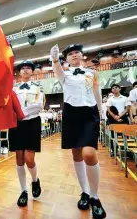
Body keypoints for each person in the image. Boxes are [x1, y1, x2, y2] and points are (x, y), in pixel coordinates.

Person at [50, 44, 106, 219]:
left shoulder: (92, 73)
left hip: (89, 114)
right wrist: (54, 59)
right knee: (76, 154)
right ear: (66, 59)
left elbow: (97, 93)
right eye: (70, 54)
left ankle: (95, 197)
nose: (74, 55)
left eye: (76, 52)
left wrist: (101, 113)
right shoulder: (64, 75)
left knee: (89, 154)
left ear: (82, 55)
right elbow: (57, 70)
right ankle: (85, 192)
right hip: (71, 113)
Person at [10, 60, 43, 208]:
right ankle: (23, 191)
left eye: (28, 68)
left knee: (29, 158)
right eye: (22, 68)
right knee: (19, 158)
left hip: (32, 123)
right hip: (16, 124)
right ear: (19, 72)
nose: (25, 70)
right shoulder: (13, 89)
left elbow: (38, 106)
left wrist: (21, 114)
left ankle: (35, 180)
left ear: (32, 71)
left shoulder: (38, 88)